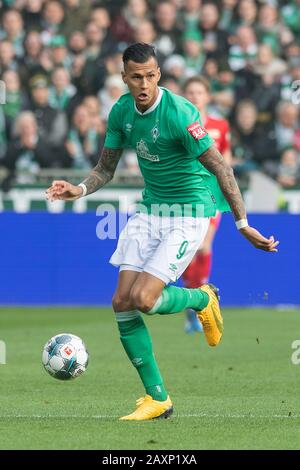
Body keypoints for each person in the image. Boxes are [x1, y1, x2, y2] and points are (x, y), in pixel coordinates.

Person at [46, 43, 279, 421]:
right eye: (135, 77)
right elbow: (105, 168)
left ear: (159, 75)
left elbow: (221, 167)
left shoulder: (180, 113)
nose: (144, 83)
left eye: (150, 75)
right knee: (122, 302)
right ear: (124, 77)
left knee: (144, 298)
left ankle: (202, 299)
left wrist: (242, 224)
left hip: (188, 213)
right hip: (151, 210)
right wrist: (80, 189)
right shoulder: (121, 111)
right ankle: (158, 399)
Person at [182, 75, 232, 333]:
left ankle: (202, 302)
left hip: (211, 195)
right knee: (187, 250)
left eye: (199, 92)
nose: (194, 96)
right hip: (185, 194)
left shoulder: (220, 125)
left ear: (207, 96)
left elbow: (226, 160)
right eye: (190, 91)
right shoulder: (179, 123)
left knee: (204, 245)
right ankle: (193, 302)